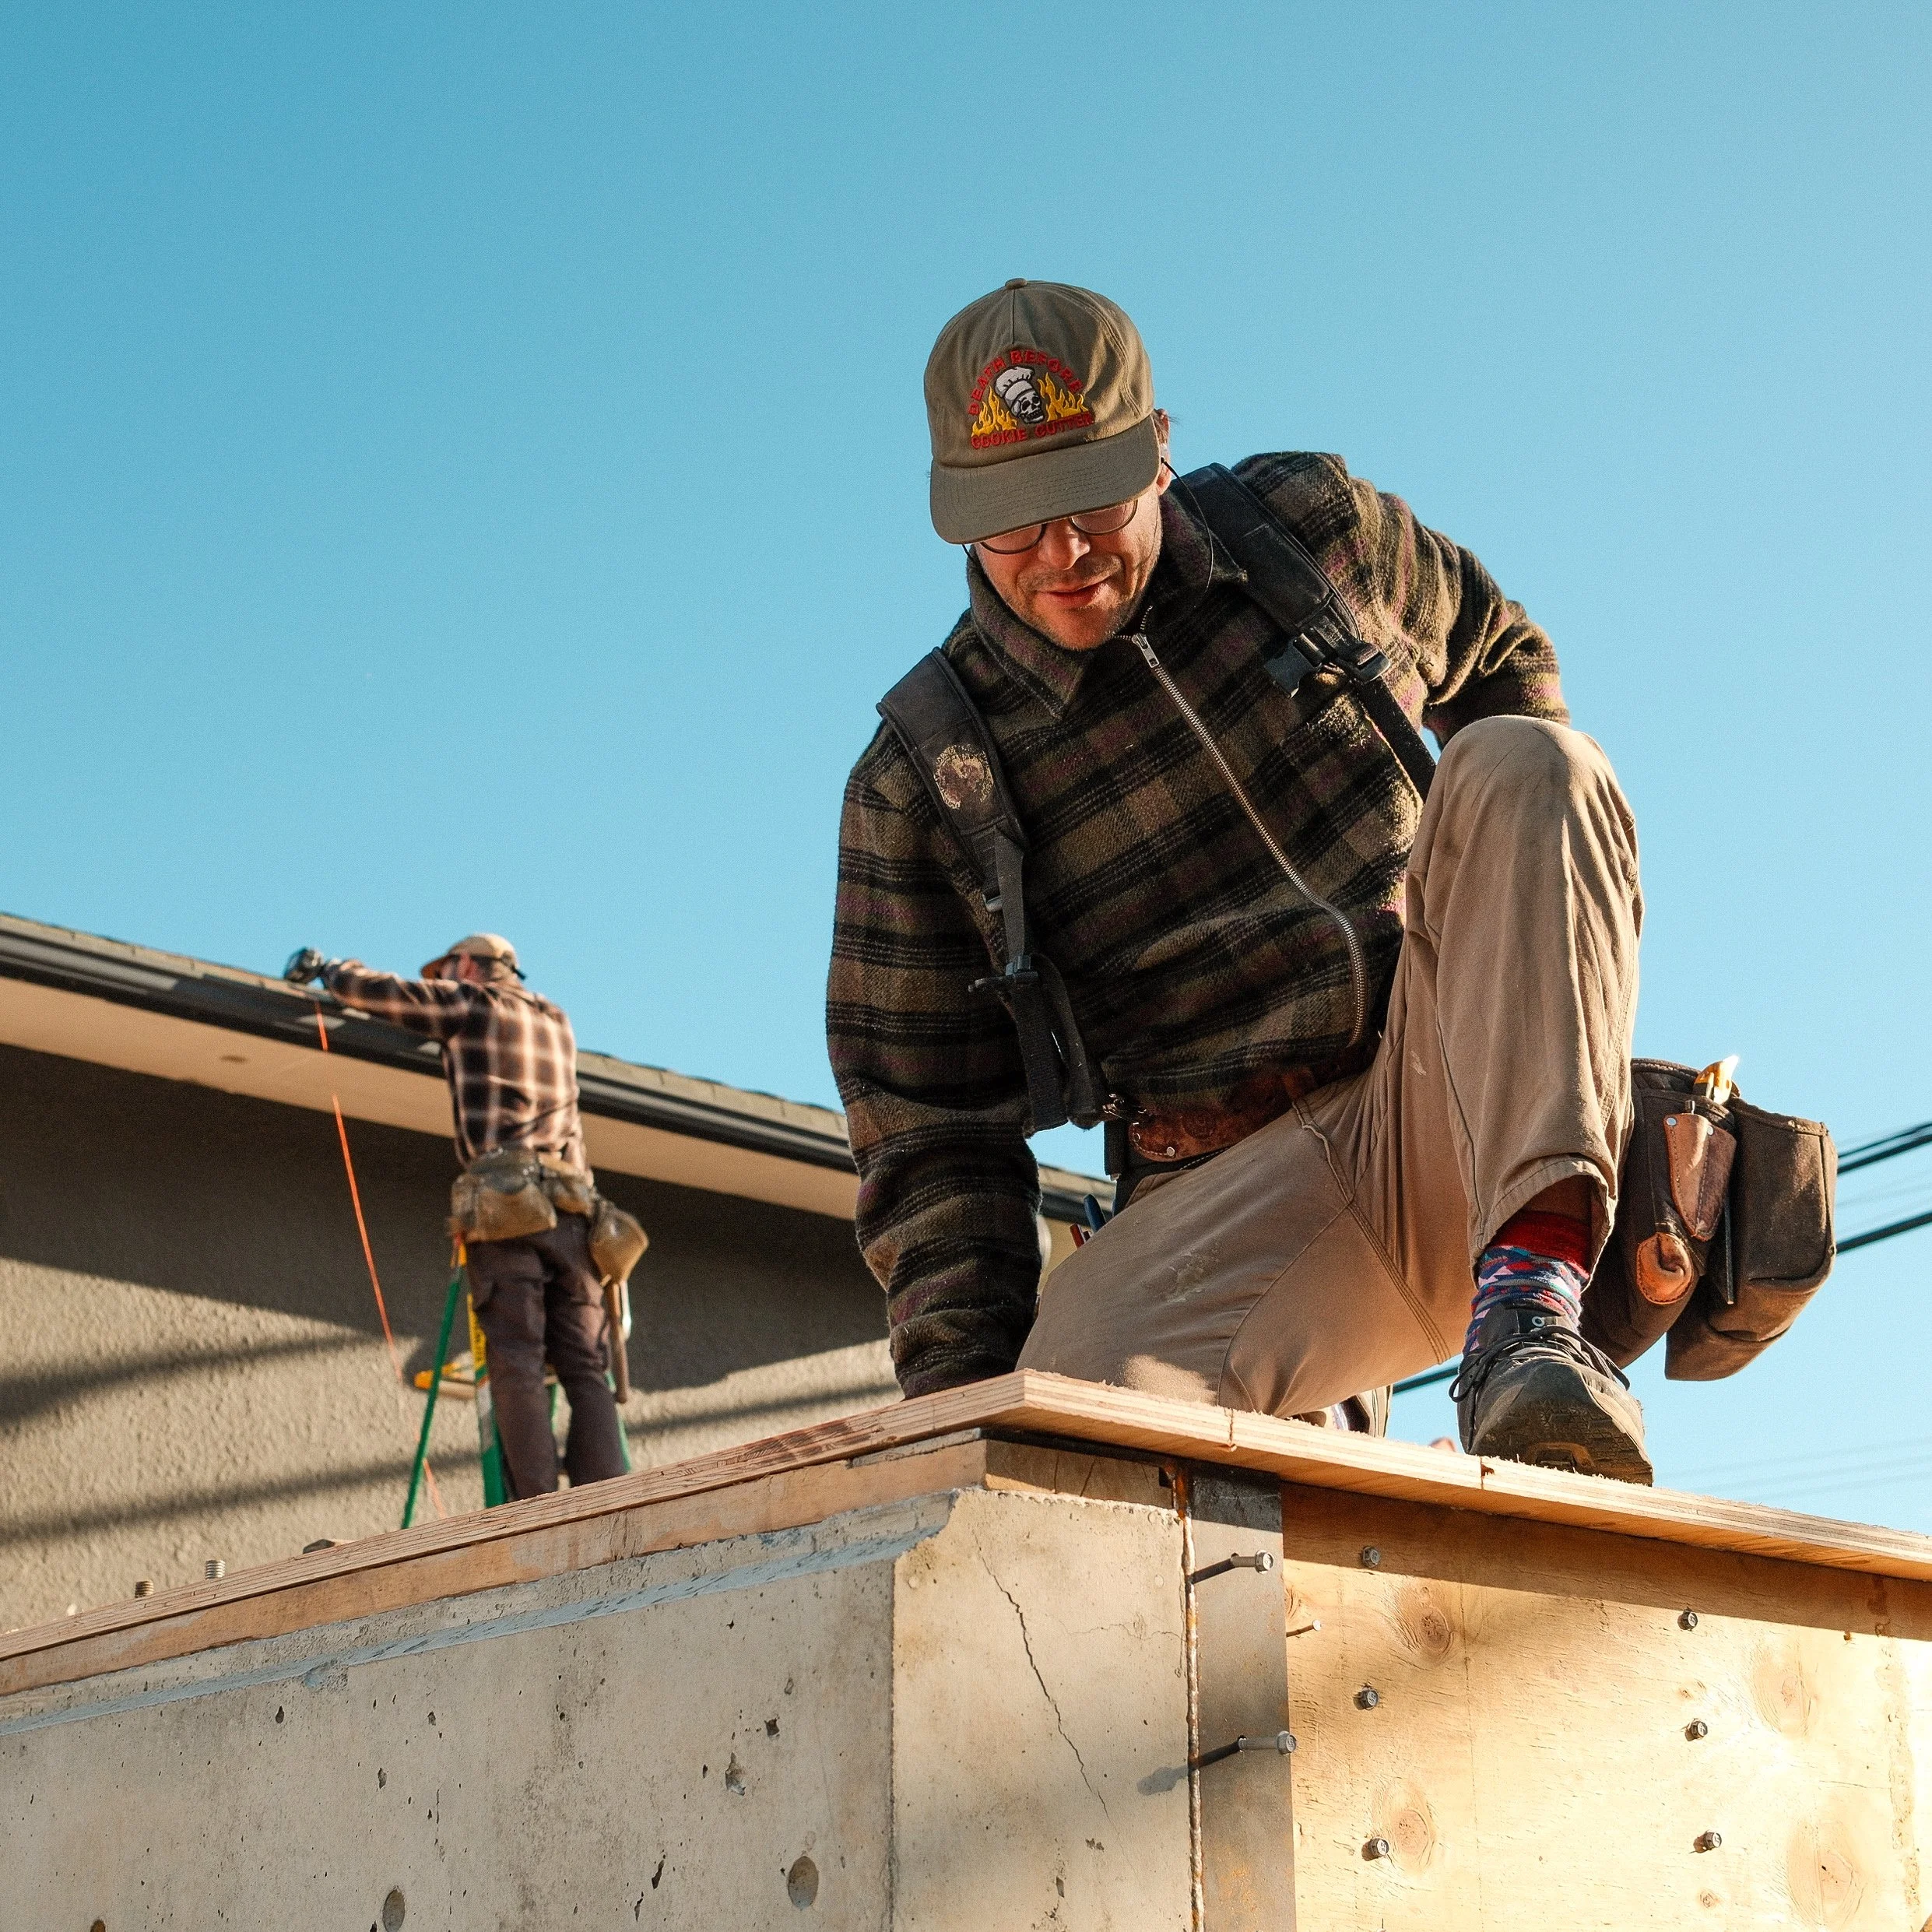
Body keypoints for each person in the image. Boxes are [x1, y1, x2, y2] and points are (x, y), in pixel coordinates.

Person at [827, 279, 1652, 1481]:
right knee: (1072, 1439)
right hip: (1224, 1208)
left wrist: (1529, 988)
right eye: (1011, 521)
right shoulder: (923, 777)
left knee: (1532, 762)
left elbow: (1503, 659)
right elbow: (928, 1135)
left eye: (1090, 501)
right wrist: (964, 1424)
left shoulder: (1311, 532)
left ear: (1157, 451)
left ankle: (1532, 1311)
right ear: (954, 515)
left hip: (1448, 1110)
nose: (1060, 554)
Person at [285, 933, 631, 1497]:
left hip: (507, 1203)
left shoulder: (472, 1005)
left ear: (468, 965)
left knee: (516, 1358)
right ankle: (606, 1498)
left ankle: (537, 1506)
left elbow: (389, 994)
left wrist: (328, 969)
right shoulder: (557, 1020)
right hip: (573, 1209)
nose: (444, 979)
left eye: (448, 969)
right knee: (586, 1368)